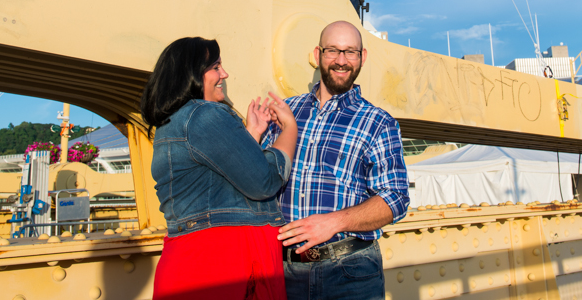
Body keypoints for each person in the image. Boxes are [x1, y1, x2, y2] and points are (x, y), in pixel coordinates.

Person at [142, 37, 298, 300]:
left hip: (194, 262)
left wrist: (251, 135)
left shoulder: (174, 123)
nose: (224, 74)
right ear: (191, 73)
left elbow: (215, 181)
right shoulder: (204, 114)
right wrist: (290, 129)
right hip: (222, 265)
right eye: (215, 67)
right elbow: (265, 182)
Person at [262, 21, 410, 300]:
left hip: (350, 272)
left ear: (362, 57)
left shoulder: (378, 123)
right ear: (317, 54)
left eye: (350, 52)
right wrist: (253, 132)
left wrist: (334, 222)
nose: (341, 61)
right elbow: (257, 177)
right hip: (282, 270)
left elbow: (396, 198)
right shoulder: (286, 111)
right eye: (332, 51)